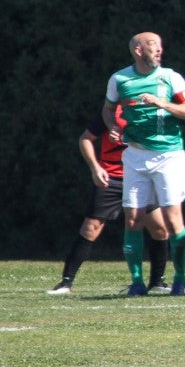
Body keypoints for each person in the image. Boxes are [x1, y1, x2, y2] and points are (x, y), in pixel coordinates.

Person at [104, 32, 185, 296]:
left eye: (160, 46)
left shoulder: (170, 77)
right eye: (153, 46)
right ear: (138, 50)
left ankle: (179, 279)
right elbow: (108, 110)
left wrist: (162, 103)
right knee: (133, 218)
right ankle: (136, 282)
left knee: (172, 219)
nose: (159, 51)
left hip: (168, 156)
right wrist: (113, 127)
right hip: (135, 155)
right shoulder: (119, 79)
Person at [47, 106, 169, 295]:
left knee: (160, 228)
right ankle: (66, 282)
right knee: (91, 228)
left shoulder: (150, 113)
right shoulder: (111, 113)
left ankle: (156, 282)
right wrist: (95, 168)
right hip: (111, 178)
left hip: (139, 178)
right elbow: (85, 139)